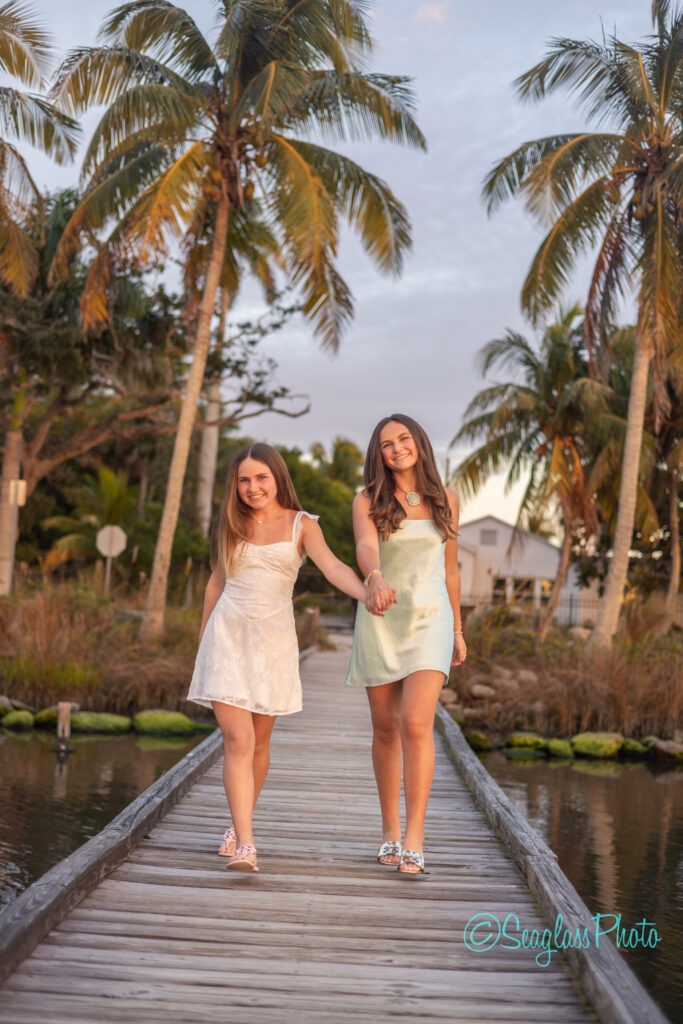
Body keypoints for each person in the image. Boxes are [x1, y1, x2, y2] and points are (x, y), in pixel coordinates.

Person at [187, 442, 372, 872]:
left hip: (273, 644)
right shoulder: (231, 523)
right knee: (239, 740)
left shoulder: (302, 525)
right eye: (244, 480)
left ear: (277, 478)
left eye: (261, 478)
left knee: (260, 744)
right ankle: (248, 845)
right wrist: (203, 639)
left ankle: (237, 825)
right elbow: (216, 582)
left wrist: (368, 592)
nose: (252, 487)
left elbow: (334, 567)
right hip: (227, 638)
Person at [345, 414, 467, 874]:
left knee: (417, 722)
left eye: (403, 439)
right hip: (382, 616)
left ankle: (415, 837)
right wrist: (373, 577)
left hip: (432, 619)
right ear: (379, 454)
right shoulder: (367, 500)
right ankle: (390, 832)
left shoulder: (446, 499)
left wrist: (457, 629)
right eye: (386, 444)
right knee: (385, 728)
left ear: (419, 441)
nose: (396, 449)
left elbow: (450, 569)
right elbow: (365, 548)